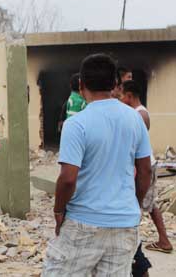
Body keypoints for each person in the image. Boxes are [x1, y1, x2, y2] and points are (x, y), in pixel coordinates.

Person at [43, 54, 152, 276]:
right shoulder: (135, 120)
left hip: (83, 222)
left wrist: (58, 210)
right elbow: (145, 171)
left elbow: (68, 178)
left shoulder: (76, 124)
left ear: (81, 85)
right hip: (124, 225)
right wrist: (135, 205)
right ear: (115, 84)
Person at [122, 80, 173, 254]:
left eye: (122, 95)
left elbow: (136, 145)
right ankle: (163, 240)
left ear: (129, 96)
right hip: (145, 164)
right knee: (150, 205)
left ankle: (135, 244)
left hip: (144, 166)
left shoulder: (139, 115)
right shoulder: (139, 112)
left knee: (138, 203)